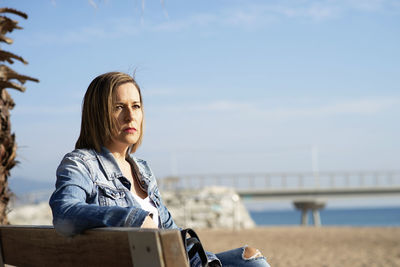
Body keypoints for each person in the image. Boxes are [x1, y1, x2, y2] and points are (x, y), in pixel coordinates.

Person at [49, 71, 270, 267]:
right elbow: (64, 213)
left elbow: (172, 237)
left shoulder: (142, 170)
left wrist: (209, 261)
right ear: (97, 113)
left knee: (251, 258)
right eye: (118, 107)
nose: (130, 116)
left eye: (136, 106)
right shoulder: (81, 163)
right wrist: (133, 218)